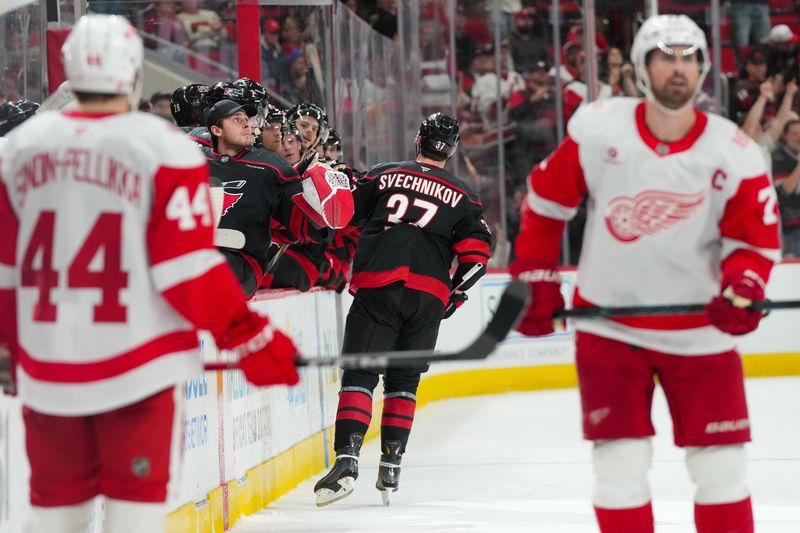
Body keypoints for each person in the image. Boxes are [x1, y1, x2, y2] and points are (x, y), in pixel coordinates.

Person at [0, 15, 300, 533]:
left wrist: (7, 346)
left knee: (54, 514)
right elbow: (188, 269)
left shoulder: (18, 149)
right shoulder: (165, 149)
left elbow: (8, 269)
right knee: (133, 517)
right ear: (133, 73)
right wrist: (251, 342)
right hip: (140, 373)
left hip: (50, 370)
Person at [510, 14, 781, 533]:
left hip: (700, 332)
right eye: (665, 57)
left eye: (688, 58)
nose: (677, 69)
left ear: (702, 69)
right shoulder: (599, 129)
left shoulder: (734, 151)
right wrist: (536, 279)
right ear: (641, 66)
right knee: (619, 471)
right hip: (609, 330)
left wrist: (744, 286)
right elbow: (545, 205)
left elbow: (753, 244)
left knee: (722, 472)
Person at [313, 113, 493, 507]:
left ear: (418, 141)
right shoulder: (464, 197)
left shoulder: (383, 174)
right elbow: (478, 258)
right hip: (428, 297)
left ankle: (346, 463)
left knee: (360, 373)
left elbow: (343, 216)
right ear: (453, 149)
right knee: (404, 383)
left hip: (380, 285)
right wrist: (454, 296)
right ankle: (391, 465)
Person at [202, 98, 351, 297]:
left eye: (247, 119)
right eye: (237, 120)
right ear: (217, 130)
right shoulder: (194, 161)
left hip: (242, 262)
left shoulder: (270, 166)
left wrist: (323, 210)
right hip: (200, 252)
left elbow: (303, 224)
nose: (247, 123)